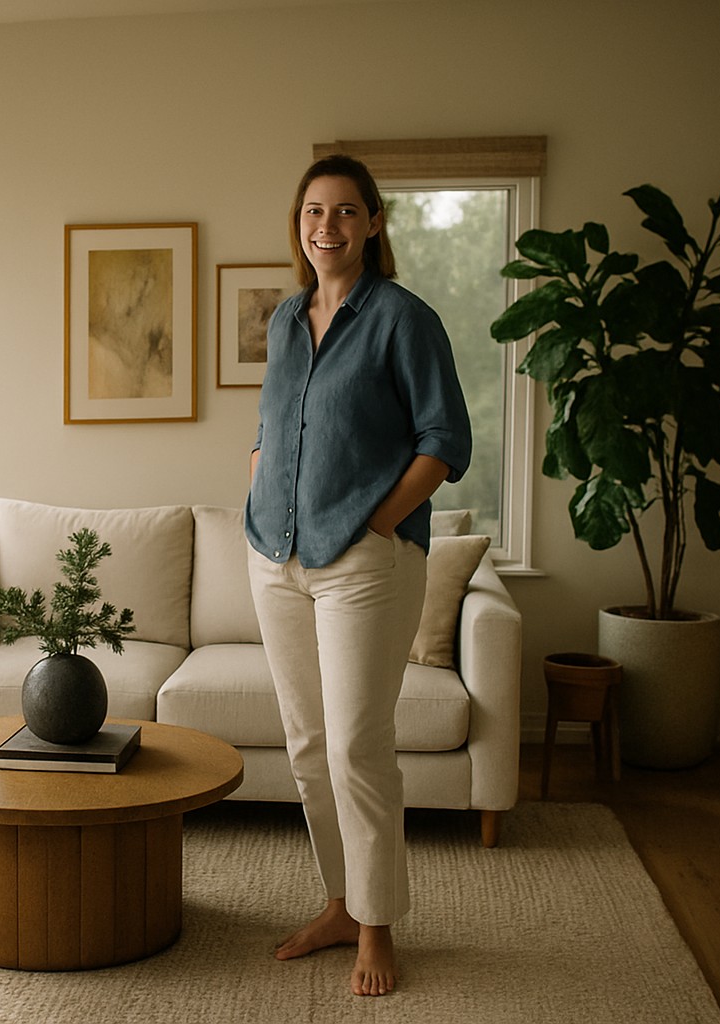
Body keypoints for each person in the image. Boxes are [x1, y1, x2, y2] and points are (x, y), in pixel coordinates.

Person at [245, 154, 471, 997]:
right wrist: (258, 484)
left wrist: (376, 522)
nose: (326, 228)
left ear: (373, 223)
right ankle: (340, 903)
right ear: (298, 224)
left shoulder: (403, 319)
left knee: (355, 747)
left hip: (364, 567)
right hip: (276, 556)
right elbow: (271, 423)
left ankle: (378, 927)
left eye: (344, 212)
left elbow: (446, 441)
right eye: (312, 212)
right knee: (307, 749)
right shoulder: (283, 320)